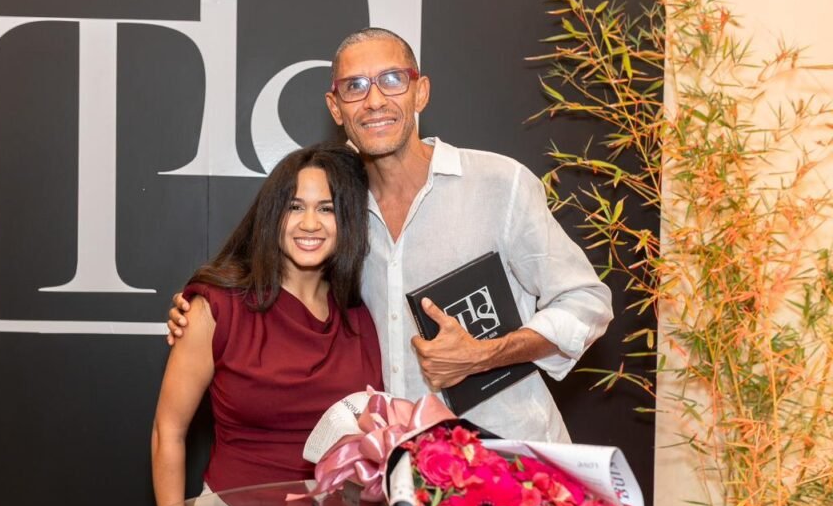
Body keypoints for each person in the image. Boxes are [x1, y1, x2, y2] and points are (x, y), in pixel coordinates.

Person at [168, 27, 613, 443]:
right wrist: (199, 312)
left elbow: (586, 302)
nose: (375, 100)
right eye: (355, 86)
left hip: (511, 456)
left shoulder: (498, 183)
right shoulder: (336, 204)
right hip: (397, 467)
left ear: (421, 92)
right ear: (336, 108)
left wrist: (486, 353)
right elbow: (273, 271)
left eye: (392, 80)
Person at [150, 142, 384, 506]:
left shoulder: (361, 315)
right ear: (272, 215)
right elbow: (168, 431)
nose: (309, 223)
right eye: (295, 206)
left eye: (327, 209)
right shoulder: (218, 306)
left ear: (347, 221)